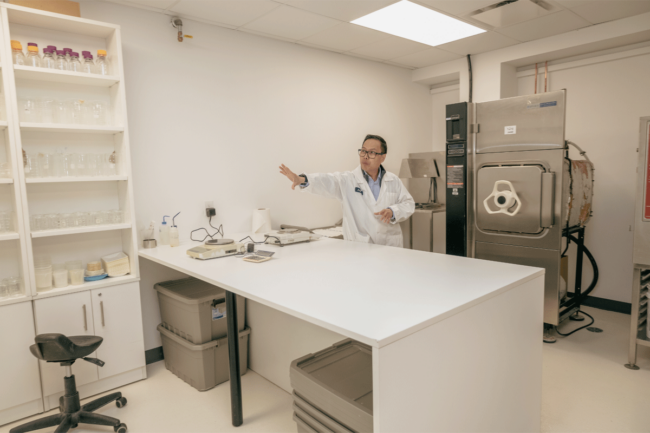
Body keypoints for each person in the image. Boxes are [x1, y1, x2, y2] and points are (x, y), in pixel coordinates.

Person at [279, 134, 415, 247]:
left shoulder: (393, 180)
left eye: (372, 152)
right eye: (363, 151)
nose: (365, 156)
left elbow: (408, 204)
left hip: (389, 247)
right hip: (360, 247)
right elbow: (327, 181)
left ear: (383, 157)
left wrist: (393, 211)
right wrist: (302, 179)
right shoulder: (348, 180)